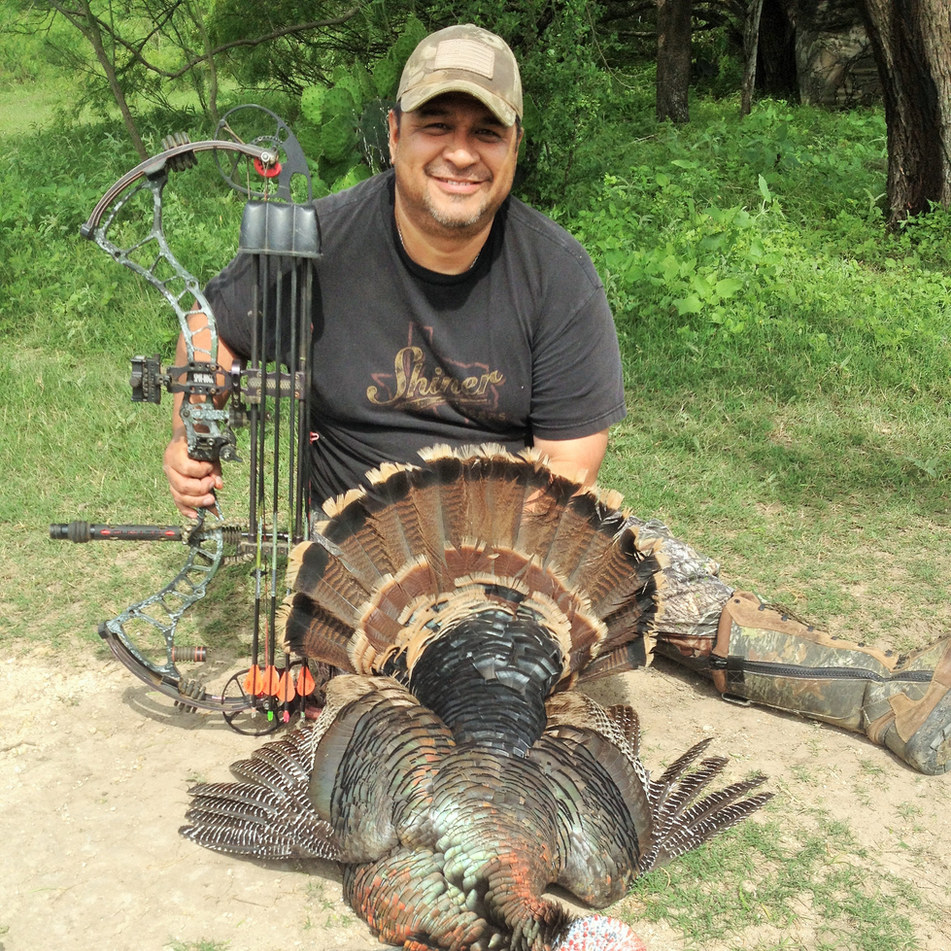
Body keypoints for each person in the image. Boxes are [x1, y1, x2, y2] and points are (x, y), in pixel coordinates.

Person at [162, 24, 951, 775]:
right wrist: (191, 430)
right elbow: (209, 327)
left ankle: (891, 696)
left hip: (516, 538)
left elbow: (567, 468)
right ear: (395, 132)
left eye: (487, 132)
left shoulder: (555, 272)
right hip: (361, 558)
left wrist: (491, 601)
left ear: (513, 147)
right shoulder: (314, 240)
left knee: (669, 588)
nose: (460, 153)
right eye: (437, 125)